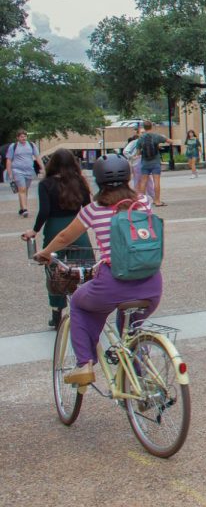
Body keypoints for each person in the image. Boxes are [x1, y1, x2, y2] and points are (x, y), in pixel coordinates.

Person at [34, 154, 162, 387]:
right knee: (129, 332)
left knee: (78, 304)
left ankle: (84, 364)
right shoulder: (143, 202)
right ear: (128, 177)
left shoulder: (93, 210)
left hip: (113, 284)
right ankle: (140, 385)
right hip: (151, 283)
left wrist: (45, 253)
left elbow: (64, 237)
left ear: (98, 181)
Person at [20, 150, 94, 328]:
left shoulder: (46, 184)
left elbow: (44, 211)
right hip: (77, 227)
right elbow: (88, 207)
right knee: (84, 269)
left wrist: (35, 230)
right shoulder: (80, 182)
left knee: (53, 270)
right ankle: (85, 308)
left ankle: (57, 313)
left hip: (54, 227)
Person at [6, 129, 41, 217]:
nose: (23, 138)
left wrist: (43, 168)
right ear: (17, 138)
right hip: (17, 171)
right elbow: (9, 160)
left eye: (25, 136)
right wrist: (10, 173)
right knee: (22, 189)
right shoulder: (13, 146)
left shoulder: (31, 145)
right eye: (21, 136)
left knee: (25, 190)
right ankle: (25, 209)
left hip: (29, 171)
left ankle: (22, 208)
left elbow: (37, 157)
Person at [136, 120, 169, 206]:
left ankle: (143, 202)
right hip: (155, 162)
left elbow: (138, 153)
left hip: (145, 162)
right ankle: (157, 201)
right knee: (156, 182)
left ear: (144, 127)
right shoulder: (156, 136)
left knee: (143, 182)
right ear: (152, 126)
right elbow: (170, 141)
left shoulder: (141, 138)